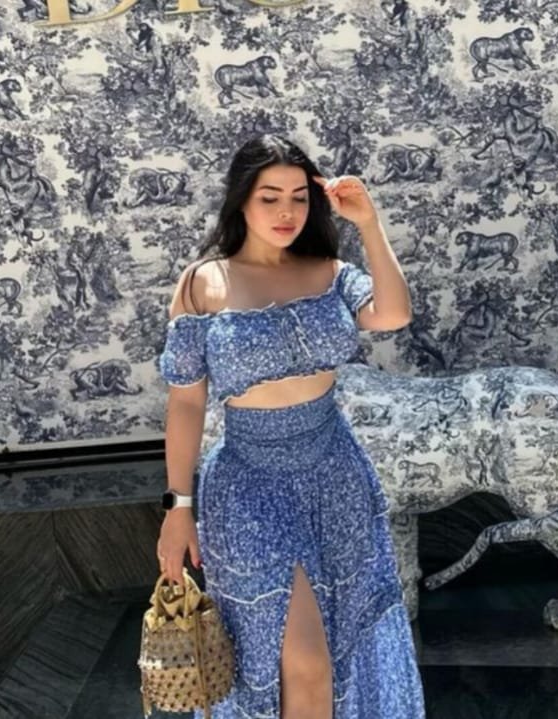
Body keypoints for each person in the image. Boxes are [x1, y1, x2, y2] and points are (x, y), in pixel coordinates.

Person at [156, 134, 426, 719]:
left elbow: (394, 312)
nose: (287, 212)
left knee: (338, 652)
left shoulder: (328, 273)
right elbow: (186, 405)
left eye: (300, 198)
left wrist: (369, 224)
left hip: (335, 475)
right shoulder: (204, 283)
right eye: (270, 197)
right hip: (247, 485)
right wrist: (178, 507)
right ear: (241, 200)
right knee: (295, 659)